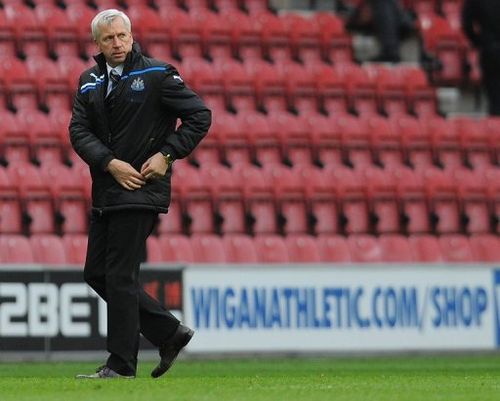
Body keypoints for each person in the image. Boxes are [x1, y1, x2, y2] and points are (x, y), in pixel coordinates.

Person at [69, 9, 211, 379]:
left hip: (140, 189)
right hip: (106, 189)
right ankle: (168, 332)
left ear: (131, 36)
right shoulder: (88, 81)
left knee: (117, 275)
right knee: (96, 273)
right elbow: (78, 132)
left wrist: (167, 155)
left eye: (122, 36)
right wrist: (109, 162)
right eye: (108, 38)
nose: (117, 43)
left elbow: (199, 115)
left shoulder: (157, 74)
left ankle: (120, 365)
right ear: (96, 44)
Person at [462, 0, 500, 116]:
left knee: (495, 98)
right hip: (489, 48)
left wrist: (479, 41)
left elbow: (467, 24)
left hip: (489, 49)